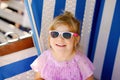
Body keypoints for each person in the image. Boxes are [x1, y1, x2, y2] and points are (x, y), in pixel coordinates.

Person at [31, 11, 94, 80]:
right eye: (55, 34)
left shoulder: (80, 60)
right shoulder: (45, 58)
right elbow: (38, 78)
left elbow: (89, 78)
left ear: (76, 39)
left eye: (66, 35)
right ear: (49, 38)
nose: (60, 39)